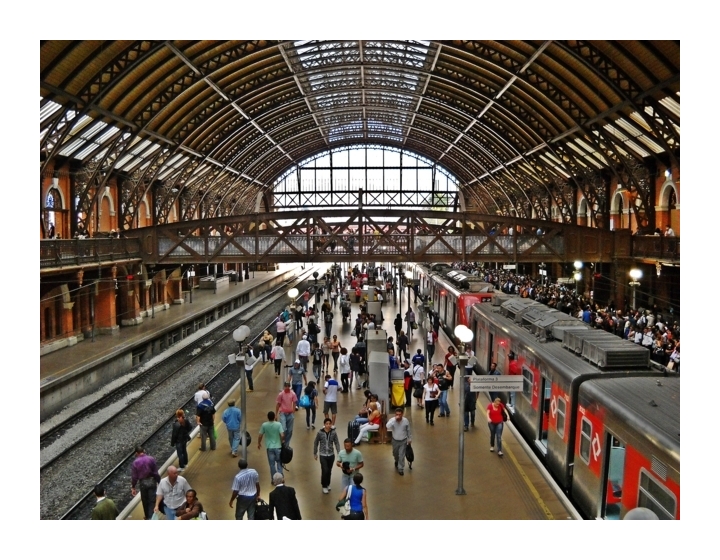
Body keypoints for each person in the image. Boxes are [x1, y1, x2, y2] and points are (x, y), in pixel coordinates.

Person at [130, 445, 160, 520]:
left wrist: (133, 487)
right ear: (144, 451)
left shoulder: (135, 462)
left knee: (145, 500)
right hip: (152, 481)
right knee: (152, 500)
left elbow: (134, 477)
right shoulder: (151, 459)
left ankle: (147, 517)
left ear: (136, 453)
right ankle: (151, 517)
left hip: (143, 483)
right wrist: (159, 481)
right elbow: (156, 472)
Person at [313, 418, 341, 493]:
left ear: (331, 424)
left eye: (329, 424)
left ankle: (328, 483)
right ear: (324, 424)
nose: (328, 425)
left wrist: (339, 452)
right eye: (326, 424)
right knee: (325, 470)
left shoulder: (334, 433)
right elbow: (316, 443)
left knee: (329, 471)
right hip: (323, 455)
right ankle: (324, 485)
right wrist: (315, 453)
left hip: (331, 455)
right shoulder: (320, 433)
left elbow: (337, 443)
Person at [258, 411, 285, 478]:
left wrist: (259, 443)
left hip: (269, 447)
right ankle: (280, 477)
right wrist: (282, 441)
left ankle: (274, 479)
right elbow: (282, 435)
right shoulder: (278, 424)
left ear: (268, 417)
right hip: (278, 446)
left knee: (272, 464)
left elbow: (260, 435)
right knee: (279, 462)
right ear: (274, 417)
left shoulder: (264, 425)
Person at [386, 407, 412, 476]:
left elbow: (408, 430)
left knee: (401, 455)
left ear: (402, 414)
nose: (398, 416)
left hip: (403, 440)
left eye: (400, 414)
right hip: (395, 440)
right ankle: (396, 460)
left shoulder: (405, 421)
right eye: (397, 414)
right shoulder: (392, 420)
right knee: (395, 453)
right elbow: (387, 426)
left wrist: (409, 439)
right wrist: (394, 420)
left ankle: (401, 469)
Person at [276, 382, 298, 447]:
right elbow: (278, 404)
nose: (287, 388)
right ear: (284, 387)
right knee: (283, 429)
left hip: (290, 414)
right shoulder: (281, 394)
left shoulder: (293, 394)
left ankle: (286, 444)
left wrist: (293, 411)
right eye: (286, 387)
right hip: (283, 413)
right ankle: (282, 441)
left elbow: (294, 402)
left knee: (290, 430)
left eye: (288, 387)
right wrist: (276, 414)